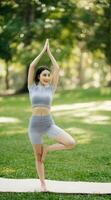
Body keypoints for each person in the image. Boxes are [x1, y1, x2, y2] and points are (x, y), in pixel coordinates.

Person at [27, 39, 76, 192]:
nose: (47, 76)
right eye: (44, 74)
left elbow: (57, 67)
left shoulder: (51, 88)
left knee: (70, 143)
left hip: (48, 123)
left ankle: (48, 148)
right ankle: (42, 184)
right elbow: (32, 66)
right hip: (35, 125)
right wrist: (42, 51)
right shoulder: (32, 87)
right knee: (38, 157)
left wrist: (50, 52)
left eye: (49, 75)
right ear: (38, 77)